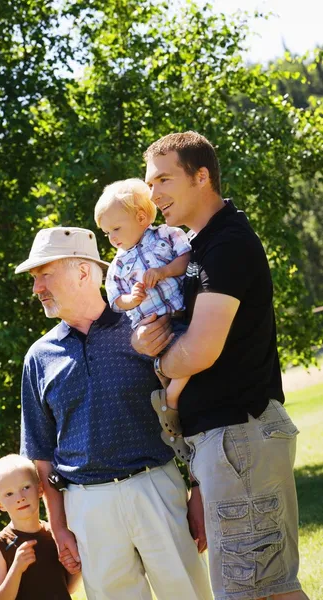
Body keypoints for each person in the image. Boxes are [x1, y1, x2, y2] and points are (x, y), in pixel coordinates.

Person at [132, 130, 309, 600]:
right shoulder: (200, 247)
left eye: (164, 180)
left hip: (239, 438)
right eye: (150, 184)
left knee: (248, 590)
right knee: (270, 588)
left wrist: (162, 359)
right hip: (236, 441)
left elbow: (201, 350)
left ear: (202, 176)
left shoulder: (226, 244)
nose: (153, 196)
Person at [14, 226, 212, 600]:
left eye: (45, 275)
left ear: (84, 272)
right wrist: (59, 527)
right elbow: (41, 453)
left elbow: (190, 411)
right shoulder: (38, 358)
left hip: (157, 487)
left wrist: (198, 493)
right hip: (86, 506)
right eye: (34, 278)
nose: (36, 288)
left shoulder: (144, 328)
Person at [94, 177, 191, 456]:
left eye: (115, 228)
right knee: (174, 361)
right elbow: (116, 300)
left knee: (193, 352)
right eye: (106, 233)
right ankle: (170, 405)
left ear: (140, 217)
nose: (111, 238)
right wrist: (131, 299)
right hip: (153, 328)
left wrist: (164, 272)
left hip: (182, 313)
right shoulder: (118, 266)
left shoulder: (166, 235)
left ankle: (171, 404)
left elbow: (185, 259)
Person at [0, 454, 81, 600]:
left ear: (40, 489)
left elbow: (68, 588)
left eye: (25, 487)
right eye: (9, 494)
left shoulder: (56, 534)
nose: (20, 497)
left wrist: (75, 568)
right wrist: (16, 569)